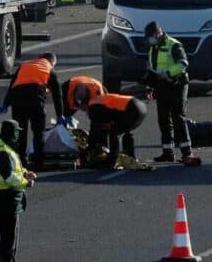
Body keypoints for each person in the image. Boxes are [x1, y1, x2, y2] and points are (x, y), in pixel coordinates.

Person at [142, 22, 200, 166]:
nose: (150, 40)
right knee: (163, 119)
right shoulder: (153, 48)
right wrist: (150, 87)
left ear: (158, 33)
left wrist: (168, 73)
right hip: (162, 86)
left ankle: (187, 152)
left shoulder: (174, 45)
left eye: (151, 37)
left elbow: (183, 64)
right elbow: (152, 69)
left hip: (177, 84)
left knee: (178, 117)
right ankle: (168, 152)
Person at [0, 120, 36, 262]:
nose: (18, 136)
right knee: (7, 236)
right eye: (16, 132)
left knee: (11, 236)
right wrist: (25, 182)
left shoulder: (5, 147)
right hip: (5, 197)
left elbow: (15, 169)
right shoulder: (1, 151)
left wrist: (25, 173)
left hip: (10, 198)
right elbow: (8, 177)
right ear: (9, 132)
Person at [0, 53, 63, 170]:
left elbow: (12, 84)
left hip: (17, 99)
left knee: (20, 133)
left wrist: (5, 103)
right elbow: (57, 94)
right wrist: (60, 115)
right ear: (51, 62)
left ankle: (21, 161)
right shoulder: (49, 68)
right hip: (35, 99)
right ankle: (38, 162)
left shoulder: (25, 65)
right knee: (39, 133)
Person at [86, 92, 148, 167]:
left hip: (132, 108)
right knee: (124, 130)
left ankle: (113, 159)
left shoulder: (92, 108)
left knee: (114, 132)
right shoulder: (99, 100)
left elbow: (95, 130)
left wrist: (89, 147)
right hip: (140, 106)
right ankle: (129, 157)